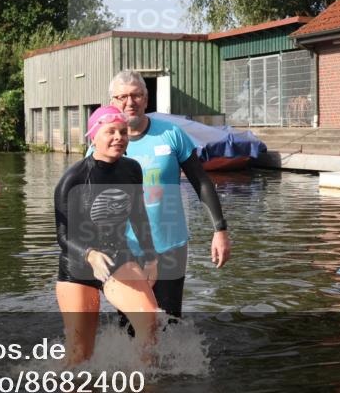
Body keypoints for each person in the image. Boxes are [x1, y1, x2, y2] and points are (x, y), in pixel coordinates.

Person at [104, 70, 230, 318]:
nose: (130, 102)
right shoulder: (104, 140)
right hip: (124, 248)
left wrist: (220, 230)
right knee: (130, 323)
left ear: (146, 98)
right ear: (112, 102)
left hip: (169, 246)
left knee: (170, 321)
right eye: (122, 97)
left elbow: (201, 181)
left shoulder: (171, 134)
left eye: (136, 95)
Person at [55, 105, 159, 365]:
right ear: (93, 136)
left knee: (150, 322)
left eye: (123, 132)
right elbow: (63, 236)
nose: (118, 137)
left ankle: (140, 390)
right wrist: (89, 254)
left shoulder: (132, 169)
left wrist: (151, 258)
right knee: (81, 354)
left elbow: (138, 215)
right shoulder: (74, 178)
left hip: (117, 256)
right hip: (77, 264)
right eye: (110, 131)